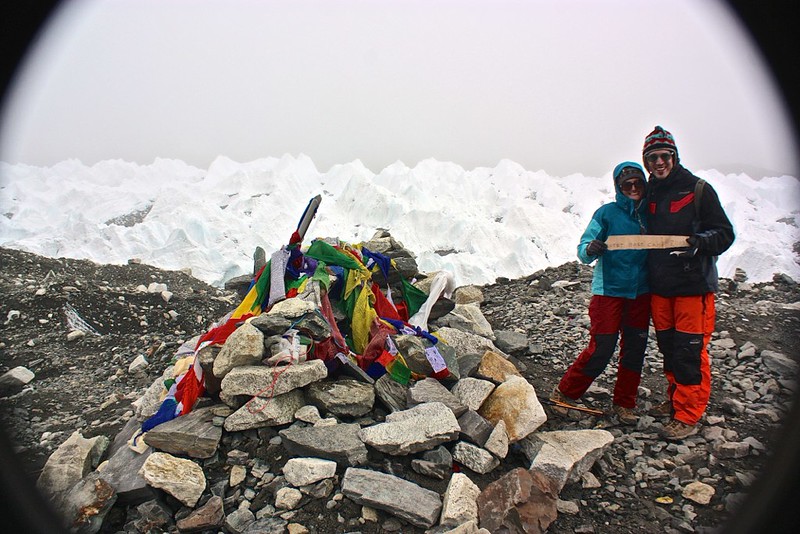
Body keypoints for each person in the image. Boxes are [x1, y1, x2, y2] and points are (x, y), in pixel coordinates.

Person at [641, 126, 735, 440]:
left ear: (674, 156)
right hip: (661, 286)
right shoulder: (650, 192)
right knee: (669, 348)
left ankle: (687, 415)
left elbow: (723, 232)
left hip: (693, 286)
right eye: (652, 157)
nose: (659, 162)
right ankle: (675, 401)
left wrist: (699, 243)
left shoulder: (698, 189)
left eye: (664, 156)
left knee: (690, 351)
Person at [550, 161, 651, 425]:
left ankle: (625, 403)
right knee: (602, 347)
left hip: (641, 292)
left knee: (635, 349)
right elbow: (583, 248)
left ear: (644, 183)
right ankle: (566, 391)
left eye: (637, 182)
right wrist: (591, 248)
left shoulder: (652, 213)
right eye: (626, 184)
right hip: (608, 291)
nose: (632, 188)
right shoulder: (606, 213)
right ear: (618, 186)